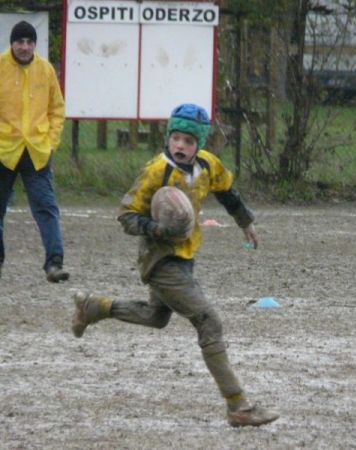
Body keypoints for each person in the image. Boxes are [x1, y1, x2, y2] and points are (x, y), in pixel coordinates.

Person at [70, 103, 279, 427]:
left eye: (188, 141)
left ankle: (94, 307)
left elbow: (227, 193)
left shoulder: (208, 166)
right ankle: (238, 405)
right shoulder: (157, 171)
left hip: (184, 259)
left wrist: (245, 222)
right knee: (208, 320)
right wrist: (155, 228)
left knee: (156, 317)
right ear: (168, 138)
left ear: (200, 144)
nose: (181, 146)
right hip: (159, 259)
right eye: (176, 138)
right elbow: (126, 215)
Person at [0, 21, 68, 282]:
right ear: (12, 43)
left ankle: (54, 262)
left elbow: (57, 110)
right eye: (20, 42)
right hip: (4, 150)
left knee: (46, 207)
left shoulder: (46, 69)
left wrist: (51, 143)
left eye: (30, 42)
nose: (25, 47)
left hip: (37, 151)